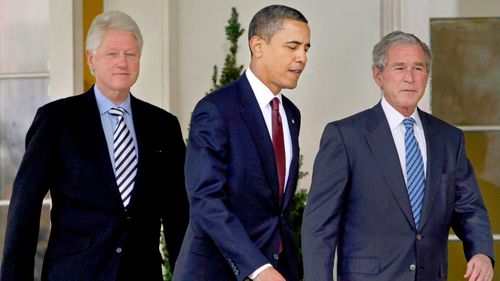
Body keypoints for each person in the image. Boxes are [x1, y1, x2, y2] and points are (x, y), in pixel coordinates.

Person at [0, 10, 189, 281]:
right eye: (112, 54)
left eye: (130, 54)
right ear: (92, 59)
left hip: (141, 274)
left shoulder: (163, 126)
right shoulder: (56, 121)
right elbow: (24, 208)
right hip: (74, 273)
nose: (122, 62)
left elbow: (178, 216)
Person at [302, 30, 495, 281]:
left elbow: (470, 208)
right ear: (378, 75)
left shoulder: (449, 139)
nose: (410, 78)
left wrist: (481, 252)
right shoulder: (345, 136)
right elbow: (320, 226)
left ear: (427, 75)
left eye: (418, 68)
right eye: (400, 68)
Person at [172, 5, 310, 281]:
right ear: (257, 46)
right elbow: (205, 200)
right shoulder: (216, 110)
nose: (302, 58)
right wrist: (257, 268)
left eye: (306, 48)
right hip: (217, 272)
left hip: (279, 269)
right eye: (292, 47)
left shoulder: (291, 114)